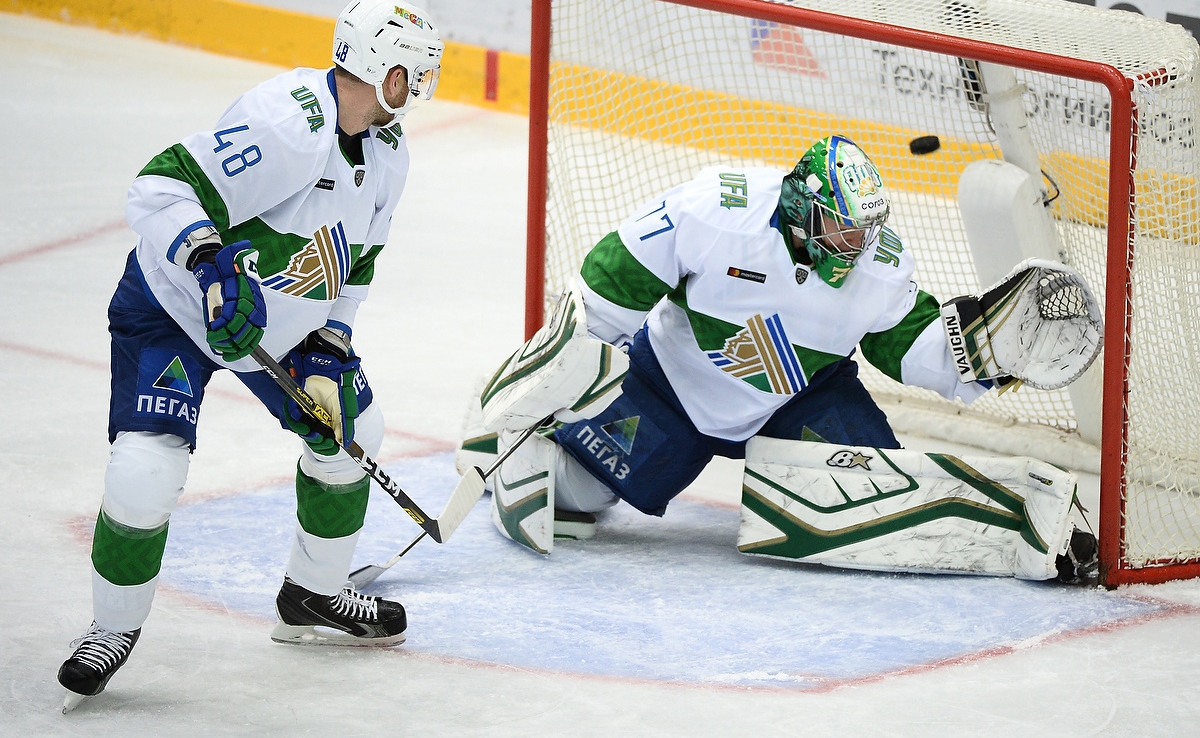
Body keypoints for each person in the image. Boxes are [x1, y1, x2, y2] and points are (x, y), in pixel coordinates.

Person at [463, 134, 1100, 584]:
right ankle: (533, 443)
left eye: (867, 231)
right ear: (803, 208)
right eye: (843, 230)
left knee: (882, 494)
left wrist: (981, 356)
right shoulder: (717, 211)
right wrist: (558, 377)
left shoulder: (877, 267)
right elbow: (608, 284)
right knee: (572, 495)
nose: (857, 247)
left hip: (801, 400)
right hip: (670, 388)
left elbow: (908, 344)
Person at [57, 0, 444, 710]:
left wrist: (333, 341)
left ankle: (312, 596)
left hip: (280, 328)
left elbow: (357, 263)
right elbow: (161, 185)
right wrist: (207, 265)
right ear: (377, 65)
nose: (420, 87)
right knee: (147, 467)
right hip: (174, 308)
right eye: (410, 72)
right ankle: (110, 630)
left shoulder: (388, 153)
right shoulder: (287, 124)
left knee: (353, 431)